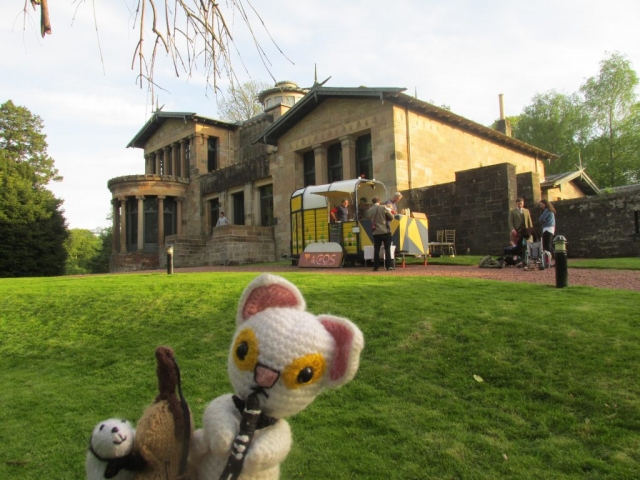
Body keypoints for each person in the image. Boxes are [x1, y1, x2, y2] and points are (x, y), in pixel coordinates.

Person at [366, 196, 394, 271]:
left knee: (376, 249)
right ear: (379, 201)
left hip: (375, 232)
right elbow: (391, 217)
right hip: (385, 231)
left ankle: (376, 266)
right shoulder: (383, 207)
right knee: (387, 249)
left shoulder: (369, 210)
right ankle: (388, 266)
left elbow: (368, 218)